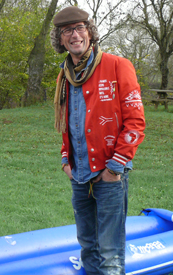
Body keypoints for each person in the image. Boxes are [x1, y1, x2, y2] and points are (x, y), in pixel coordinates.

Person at [50, 6, 146, 275]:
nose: (74, 35)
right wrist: (64, 160)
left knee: (110, 252)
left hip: (109, 174)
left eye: (80, 28)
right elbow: (69, 123)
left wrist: (115, 168)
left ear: (90, 32)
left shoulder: (117, 66)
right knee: (87, 246)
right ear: (60, 39)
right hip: (78, 174)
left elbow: (136, 122)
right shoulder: (65, 75)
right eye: (67, 31)